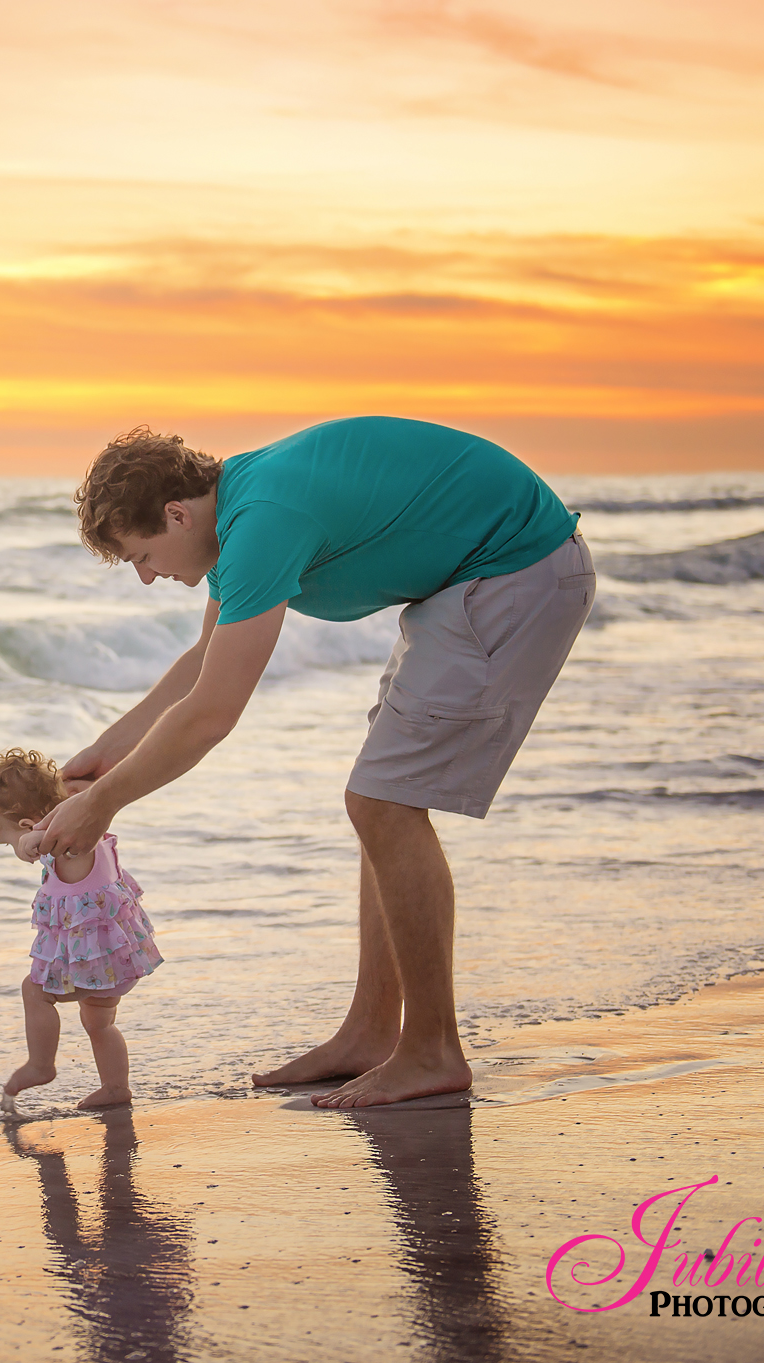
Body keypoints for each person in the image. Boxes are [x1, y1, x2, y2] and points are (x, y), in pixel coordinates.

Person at [31, 417, 594, 1109]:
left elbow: (212, 713)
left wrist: (103, 803)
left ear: (176, 514)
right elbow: (201, 665)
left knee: (382, 800)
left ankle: (433, 1050)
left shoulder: (262, 519)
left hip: (514, 569)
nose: (147, 577)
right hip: (473, 577)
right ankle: (371, 1032)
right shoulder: (240, 510)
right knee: (383, 797)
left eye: (142, 555)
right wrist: (98, 760)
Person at [0, 748, 163, 1115]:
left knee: (34, 991)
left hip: (99, 965)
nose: (15, 848)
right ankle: (115, 1087)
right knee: (98, 1022)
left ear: (30, 827)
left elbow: (32, 844)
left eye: (6, 841)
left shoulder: (60, 843)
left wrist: (25, 843)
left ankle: (41, 1065)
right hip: (119, 960)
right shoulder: (90, 822)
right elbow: (76, 792)